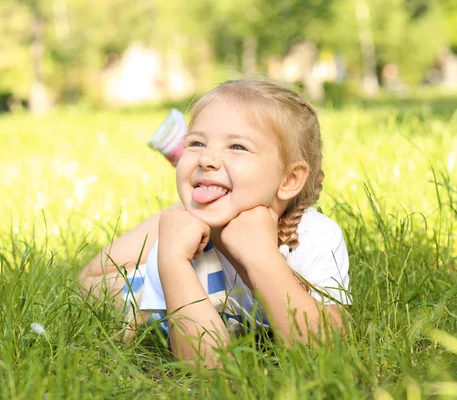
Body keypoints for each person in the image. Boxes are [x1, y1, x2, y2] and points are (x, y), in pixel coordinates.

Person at [80, 79, 351, 366]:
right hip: (153, 295)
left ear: (289, 179)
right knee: (92, 279)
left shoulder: (315, 236)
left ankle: (203, 191)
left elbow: (325, 349)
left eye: (237, 146)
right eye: (196, 143)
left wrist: (262, 259)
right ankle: (195, 200)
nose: (207, 157)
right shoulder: (175, 246)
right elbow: (204, 366)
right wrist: (172, 260)